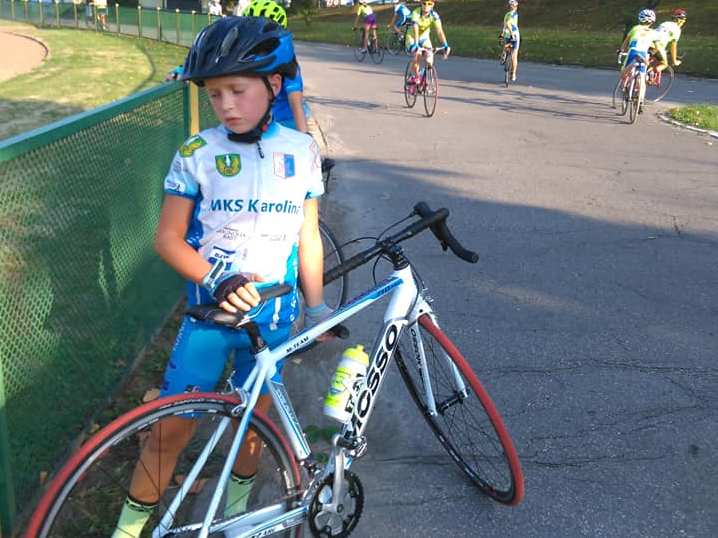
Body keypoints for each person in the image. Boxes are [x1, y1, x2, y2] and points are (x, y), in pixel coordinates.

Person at [110, 16, 332, 538]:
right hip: (211, 319)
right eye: (214, 94)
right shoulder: (197, 153)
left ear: (273, 85)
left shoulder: (302, 151)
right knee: (169, 433)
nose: (226, 105)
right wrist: (218, 278)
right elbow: (167, 239)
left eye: (237, 90)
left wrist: (318, 308)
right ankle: (127, 531)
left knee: (254, 430)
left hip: (273, 320)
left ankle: (235, 520)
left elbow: (308, 238)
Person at [243, 0, 311, 133]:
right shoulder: (244, 57)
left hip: (288, 120)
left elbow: (295, 103)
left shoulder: (287, 61)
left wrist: (304, 136)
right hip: (259, 119)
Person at [618, 9, 660, 111]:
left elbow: (626, 42)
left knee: (623, 73)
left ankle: (624, 86)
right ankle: (640, 101)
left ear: (640, 19)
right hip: (644, 53)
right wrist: (651, 53)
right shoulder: (653, 32)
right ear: (652, 21)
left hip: (633, 51)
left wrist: (621, 50)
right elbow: (657, 47)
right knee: (642, 77)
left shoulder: (635, 28)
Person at [406, 0, 450, 85]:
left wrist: (445, 45)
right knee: (417, 54)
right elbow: (415, 29)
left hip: (424, 38)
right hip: (412, 37)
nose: (426, 5)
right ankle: (415, 76)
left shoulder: (434, 15)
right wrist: (416, 44)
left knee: (429, 59)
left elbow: (440, 31)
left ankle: (422, 74)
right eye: (424, 3)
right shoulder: (416, 13)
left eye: (429, 3)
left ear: (433, 5)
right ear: (421, 3)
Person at [652, 7, 687, 74]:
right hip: (659, 46)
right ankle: (649, 74)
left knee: (649, 58)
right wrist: (674, 61)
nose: (683, 23)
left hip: (648, 41)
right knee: (664, 64)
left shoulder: (665, 23)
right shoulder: (677, 30)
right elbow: (673, 47)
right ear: (680, 20)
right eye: (684, 21)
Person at [500, 0, 520, 82]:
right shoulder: (514, 14)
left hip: (506, 34)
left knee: (506, 44)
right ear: (515, 7)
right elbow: (508, 24)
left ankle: (504, 52)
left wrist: (502, 34)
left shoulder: (507, 14)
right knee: (514, 55)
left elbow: (505, 25)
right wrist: (512, 33)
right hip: (514, 34)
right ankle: (513, 74)